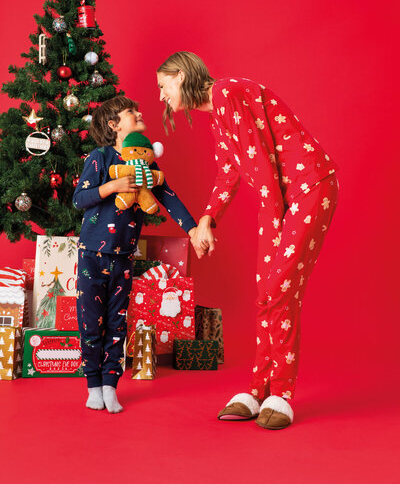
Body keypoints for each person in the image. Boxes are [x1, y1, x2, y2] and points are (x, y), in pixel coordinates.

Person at [157, 51, 339, 429]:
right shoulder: (218, 115)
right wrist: (206, 221)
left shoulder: (226, 93)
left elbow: (263, 169)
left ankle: (281, 393)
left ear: (181, 75)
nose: (161, 96)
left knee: (278, 290)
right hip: (281, 199)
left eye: (163, 85)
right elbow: (229, 173)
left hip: (308, 188)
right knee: (265, 295)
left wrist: (273, 222)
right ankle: (257, 390)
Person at [73, 96, 198, 413]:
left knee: (118, 323)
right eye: (131, 112)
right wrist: (112, 186)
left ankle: (110, 386)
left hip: (124, 256)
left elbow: (168, 196)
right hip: (91, 255)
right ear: (114, 125)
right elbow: (79, 199)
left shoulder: (147, 162)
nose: (140, 113)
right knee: (91, 323)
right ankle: (93, 385)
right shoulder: (101, 157)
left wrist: (193, 229)